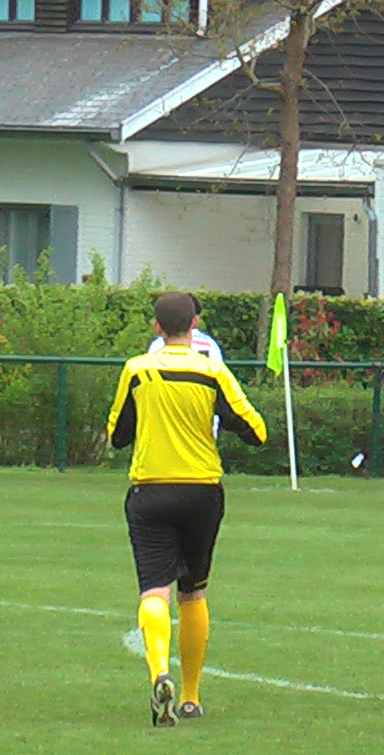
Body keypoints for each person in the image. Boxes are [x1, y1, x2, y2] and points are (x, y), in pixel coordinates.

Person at [106, 292, 267, 727]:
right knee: (193, 591)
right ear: (194, 325)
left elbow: (117, 433)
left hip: (150, 491)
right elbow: (256, 430)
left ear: (156, 328)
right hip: (201, 491)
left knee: (153, 591)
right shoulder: (213, 371)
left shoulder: (137, 370)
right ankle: (192, 696)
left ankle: (159, 671)